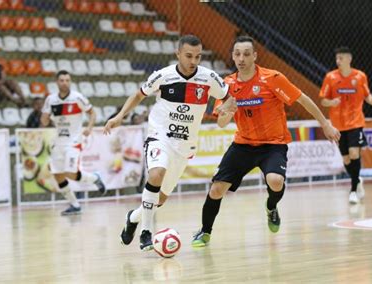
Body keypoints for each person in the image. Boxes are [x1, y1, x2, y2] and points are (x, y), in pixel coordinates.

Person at [191, 36, 341, 247]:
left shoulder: (272, 78)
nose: (241, 58)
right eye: (237, 54)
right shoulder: (227, 85)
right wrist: (227, 110)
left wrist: (325, 124)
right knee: (216, 189)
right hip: (243, 145)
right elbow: (222, 123)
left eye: (245, 54)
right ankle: (205, 232)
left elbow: (303, 99)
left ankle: (271, 207)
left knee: (275, 181)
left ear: (254, 56)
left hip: (273, 144)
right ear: (233, 56)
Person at [104, 35, 236, 251]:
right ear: (178, 54)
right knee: (156, 174)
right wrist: (120, 116)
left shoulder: (208, 77)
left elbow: (230, 98)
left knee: (160, 200)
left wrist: (226, 106)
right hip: (160, 136)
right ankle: (146, 231)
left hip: (185, 146)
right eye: (188, 56)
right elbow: (138, 95)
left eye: (198, 56)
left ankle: (134, 217)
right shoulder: (163, 76)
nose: (193, 61)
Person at [319, 47, 372, 204]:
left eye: (340, 58)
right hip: (338, 125)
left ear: (349, 59)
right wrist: (331, 102)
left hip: (356, 122)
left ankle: (353, 190)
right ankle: (357, 179)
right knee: (346, 160)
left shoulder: (360, 76)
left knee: (354, 153)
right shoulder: (330, 77)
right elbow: (323, 100)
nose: (337, 61)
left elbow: (368, 96)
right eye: (336, 59)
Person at [40, 70, 106, 215]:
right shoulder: (50, 100)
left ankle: (95, 178)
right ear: (57, 82)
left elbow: (92, 113)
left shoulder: (77, 98)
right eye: (62, 80)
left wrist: (89, 127)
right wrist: (44, 117)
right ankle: (75, 205)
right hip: (58, 142)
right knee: (58, 174)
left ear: (70, 82)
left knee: (70, 172)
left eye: (67, 80)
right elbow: (44, 121)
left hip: (74, 141)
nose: (65, 83)